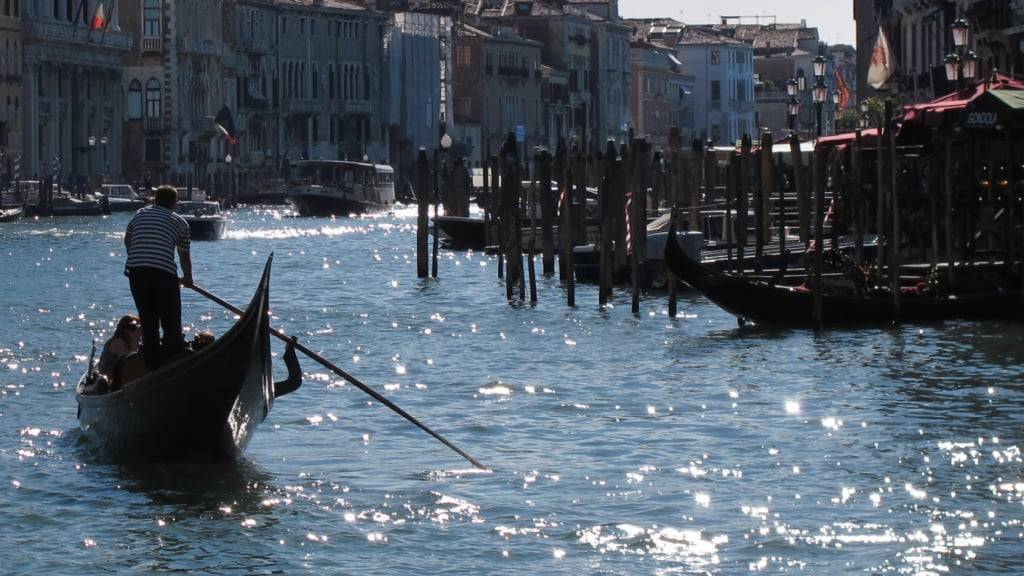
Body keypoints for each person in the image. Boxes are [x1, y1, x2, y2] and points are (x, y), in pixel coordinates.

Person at [124, 185, 193, 370]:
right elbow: (184, 255)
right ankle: (172, 363)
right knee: (171, 323)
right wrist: (188, 278)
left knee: (149, 321)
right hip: (163, 274)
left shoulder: (139, 214)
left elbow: (128, 239)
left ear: (155, 200)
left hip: (136, 273)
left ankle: (153, 365)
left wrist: (136, 256)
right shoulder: (181, 223)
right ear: (174, 203)